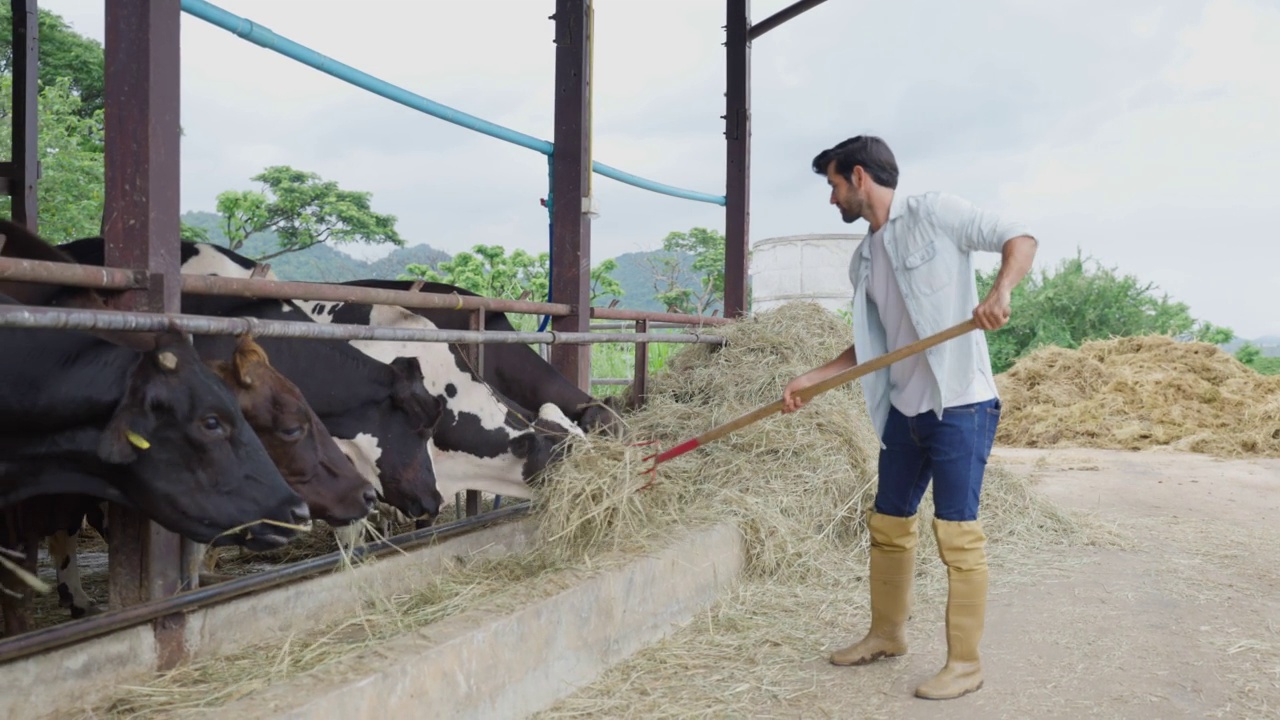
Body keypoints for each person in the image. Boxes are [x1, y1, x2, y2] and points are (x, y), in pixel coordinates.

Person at [781, 135, 1037, 700]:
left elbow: (1018, 237)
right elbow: (872, 347)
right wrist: (810, 380)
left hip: (960, 404)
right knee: (889, 525)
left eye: (833, 185)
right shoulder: (864, 259)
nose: (832, 199)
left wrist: (1001, 292)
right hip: (904, 408)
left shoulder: (936, 213)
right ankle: (887, 634)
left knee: (958, 533)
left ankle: (965, 663)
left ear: (859, 177)